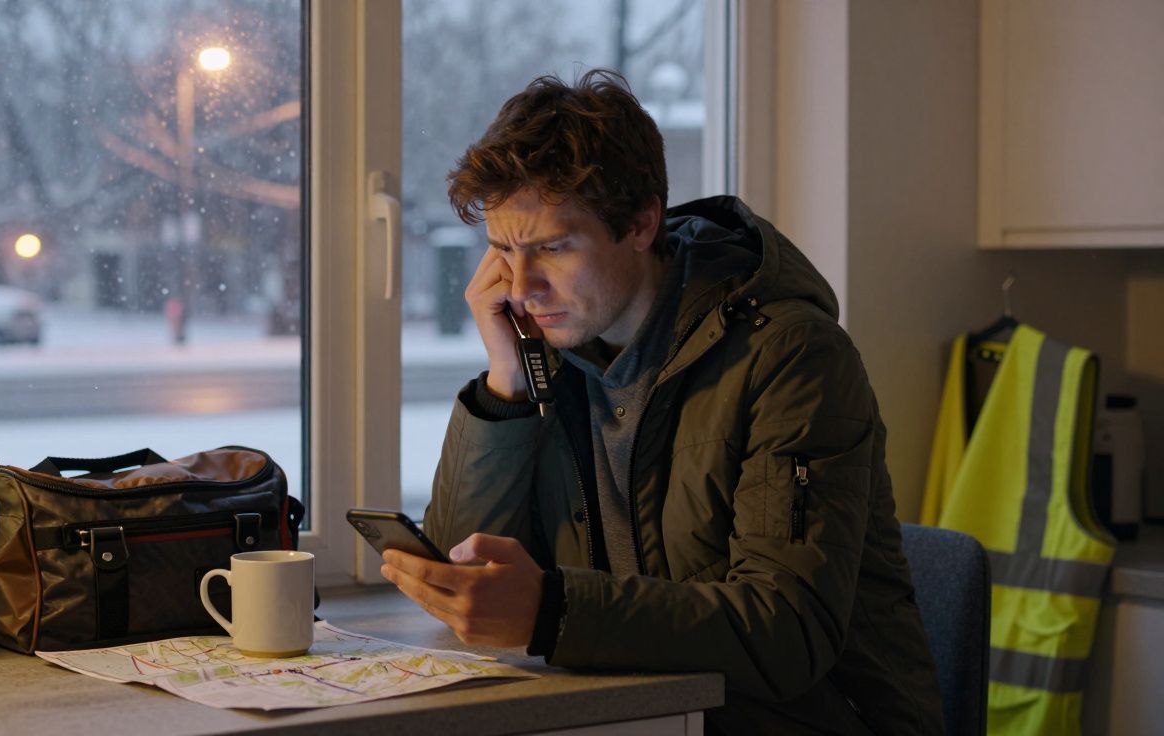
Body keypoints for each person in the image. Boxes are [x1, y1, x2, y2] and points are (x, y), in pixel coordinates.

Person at [380, 69, 945, 735]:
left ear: (642, 222)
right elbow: (467, 586)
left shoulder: (792, 358)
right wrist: (507, 376)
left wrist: (553, 611)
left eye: (554, 247)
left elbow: (785, 633)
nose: (522, 285)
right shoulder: (551, 351)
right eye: (503, 248)